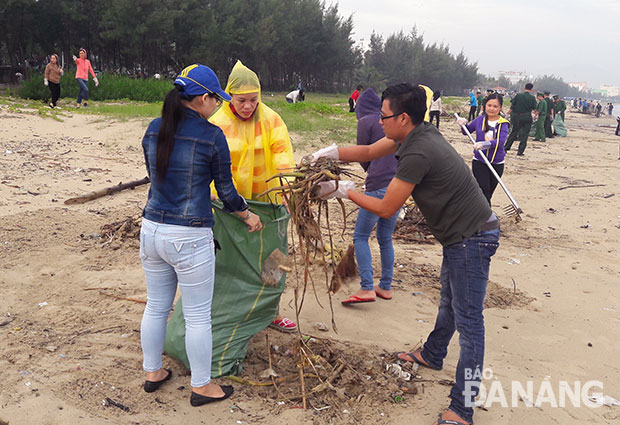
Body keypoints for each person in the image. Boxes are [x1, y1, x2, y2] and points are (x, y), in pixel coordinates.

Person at [311, 83, 499, 425]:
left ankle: (462, 407)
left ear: (402, 117)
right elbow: (368, 153)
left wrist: (345, 191)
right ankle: (432, 353)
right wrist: (331, 154)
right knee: (448, 302)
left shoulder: (417, 152)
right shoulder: (412, 134)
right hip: (461, 236)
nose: (378, 122)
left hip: (472, 238)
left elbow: (386, 207)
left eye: (383, 117)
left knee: (470, 323)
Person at [139, 64, 263, 406]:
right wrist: (248, 215)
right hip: (189, 237)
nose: (218, 107)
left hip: (151, 231)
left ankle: (153, 372)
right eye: (216, 100)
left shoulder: (154, 128)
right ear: (203, 99)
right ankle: (202, 386)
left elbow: (157, 176)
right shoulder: (211, 136)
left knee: (156, 305)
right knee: (197, 316)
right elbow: (227, 191)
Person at [210, 60, 297, 333]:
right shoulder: (217, 123)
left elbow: (283, 155)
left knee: (273, 258)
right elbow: (210, 167)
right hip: (228, 206)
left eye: (253, 100)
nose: (248, 106)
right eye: (241, 100)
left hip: (268, 200)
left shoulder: (271, 119)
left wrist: (286, 188)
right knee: (229, 260)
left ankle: (270, 312)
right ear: (229, 97)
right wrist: (223, 200)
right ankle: (228, 311)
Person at [340, 88, 398, 305]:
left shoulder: (365, 121)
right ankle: (385, 286)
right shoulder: (388, 122)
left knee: (361, 236)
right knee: (385, 237)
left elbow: (364, 153)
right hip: (397, 185)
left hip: (377, 185)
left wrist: (369, 171)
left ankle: (366, 288)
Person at [457, 93, 510, 203]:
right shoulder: (479, 120)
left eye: (495, 106)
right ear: (485, 105)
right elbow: (466, 131)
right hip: (480, 161)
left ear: (500, 108)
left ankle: (480, 213)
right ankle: (486, 217)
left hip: (497, 163)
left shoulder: (503, 123)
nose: (491, 109)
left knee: (488, 193)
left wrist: (484, 144)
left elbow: (500, 142)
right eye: (489, 105)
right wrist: (463, 124)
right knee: (483, 190)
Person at [504, 83, 537, 156]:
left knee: (514, 132)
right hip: (528, 116)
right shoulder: (532, 98)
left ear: (524, 88)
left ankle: (506, 148)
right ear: (531, 89)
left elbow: (512, 106)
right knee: (525, 135)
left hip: (518, 117)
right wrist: (536, 115)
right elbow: (535, 109)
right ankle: (520, 151)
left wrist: (507, 114)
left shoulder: (518, 96)